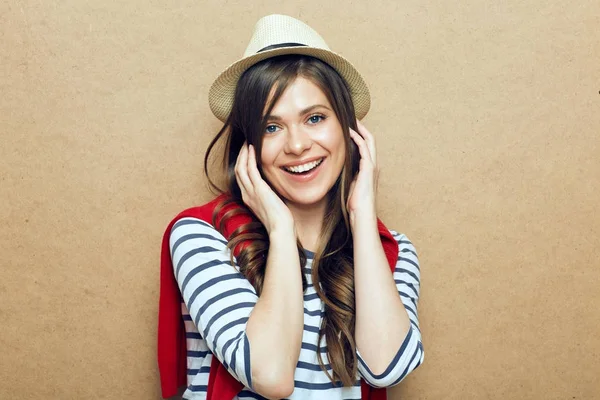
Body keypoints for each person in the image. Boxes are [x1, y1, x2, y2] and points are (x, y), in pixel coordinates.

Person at [158, 14, 423, 400]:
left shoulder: (392, 252)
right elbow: (270, 375)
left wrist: (363, 213)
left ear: (349, 130)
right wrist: (281, 230)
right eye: (271, 127)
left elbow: (387, 367)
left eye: (315, 118)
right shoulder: (201, 235)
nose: (297, 145)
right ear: (248, 146)